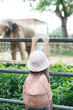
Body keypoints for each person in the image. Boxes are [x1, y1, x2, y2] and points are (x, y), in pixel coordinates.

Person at [23, 37, 53, 110]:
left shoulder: (30, 74)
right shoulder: (45, 74)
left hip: (32, 105)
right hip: (44, 105)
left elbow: (32, 59)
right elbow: (47, 57)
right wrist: (46, 43)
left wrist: (33, 43)